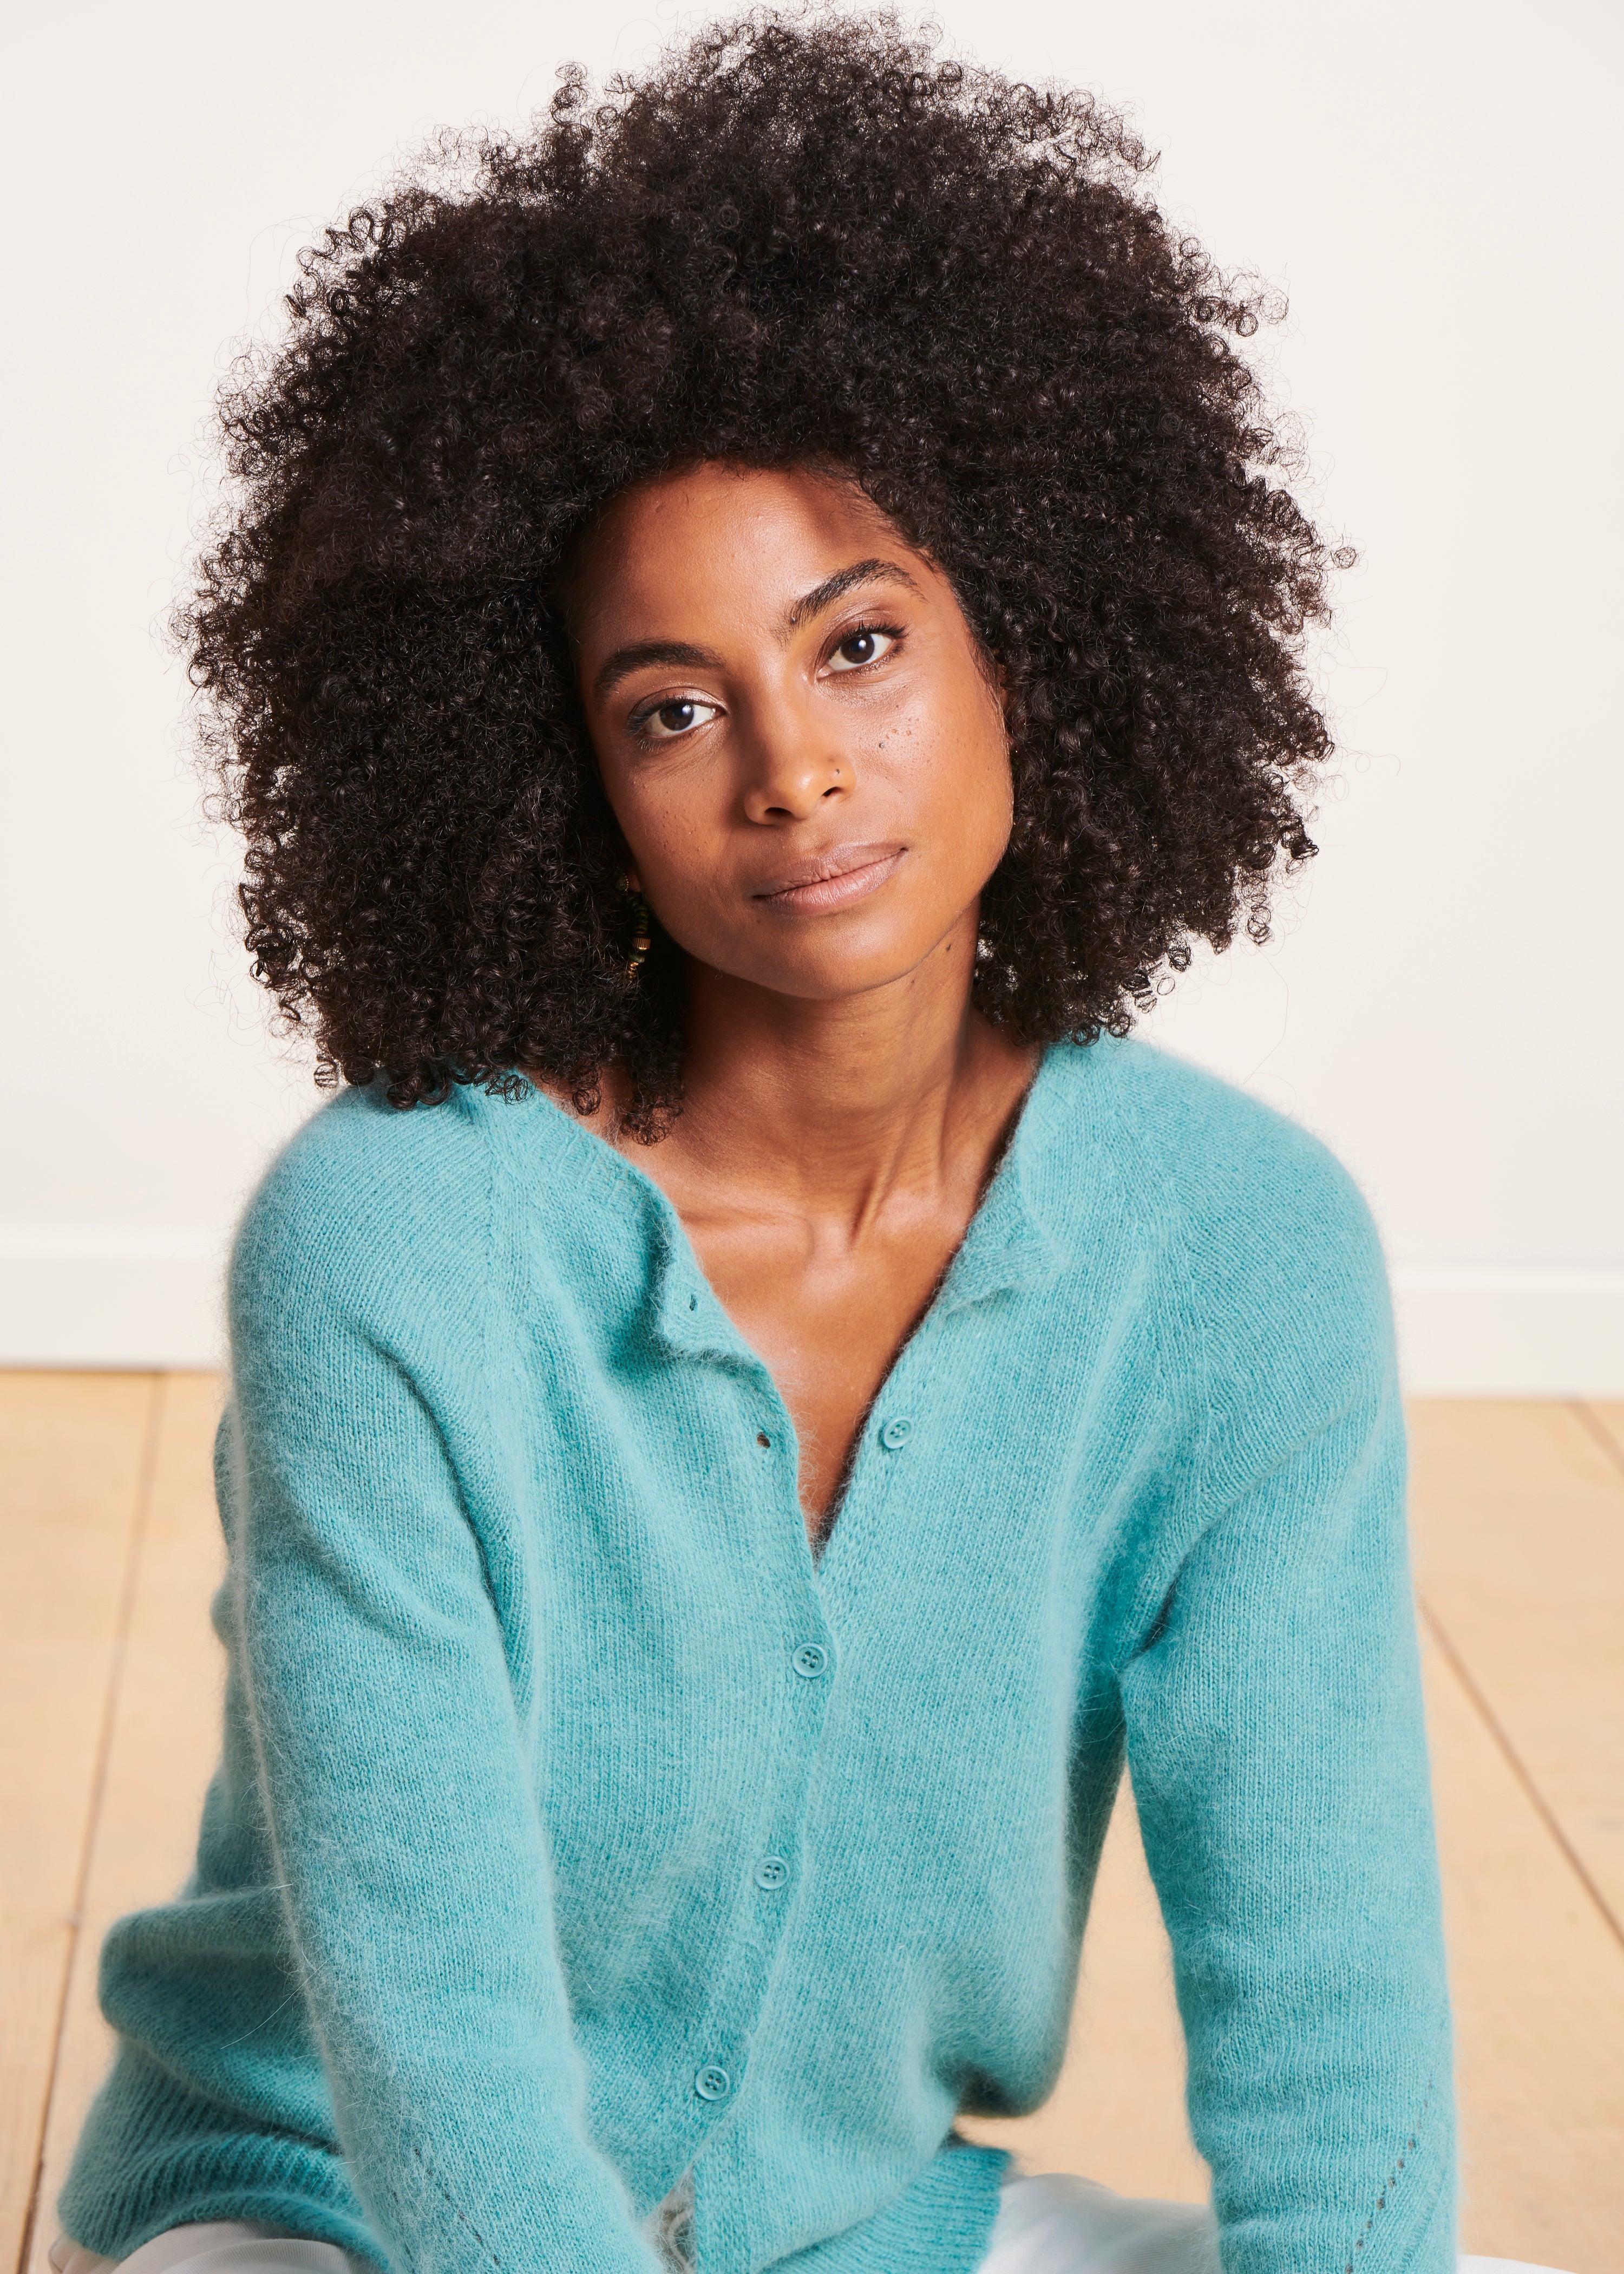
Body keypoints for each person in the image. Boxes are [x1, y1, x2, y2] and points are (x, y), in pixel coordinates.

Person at [50, 13, 1560, 2273]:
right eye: (675, 706)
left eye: (859, 644)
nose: (794, 770)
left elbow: (1326, 2020)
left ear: (1023, 643)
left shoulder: (1233, 1253)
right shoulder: (392, 1248)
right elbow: (438, 2059)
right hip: (340, 2208)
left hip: (857, 2228)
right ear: (565, 780)